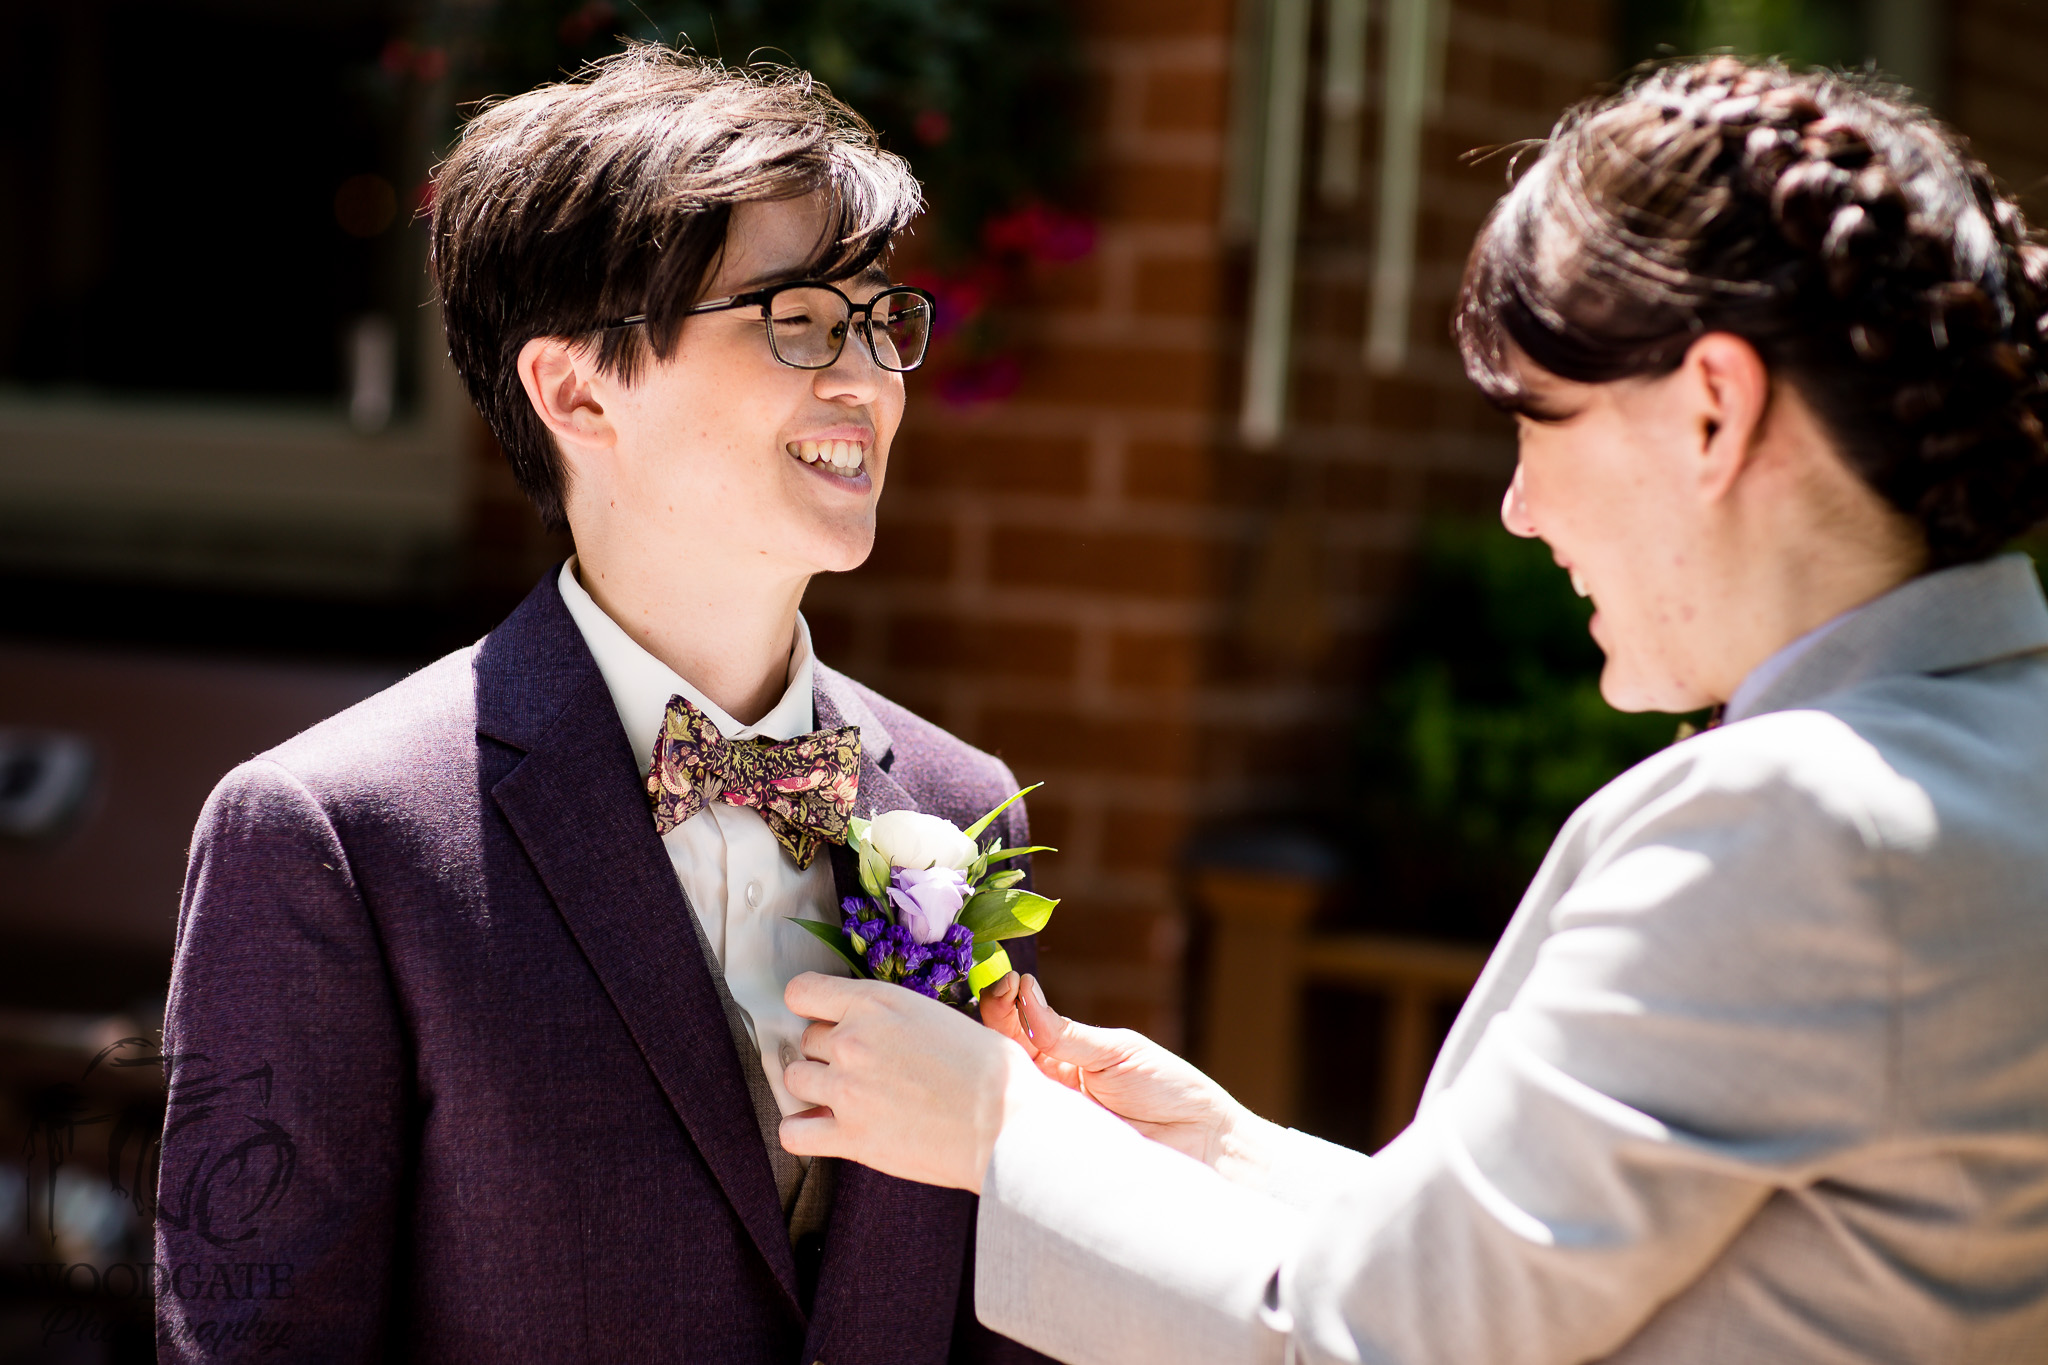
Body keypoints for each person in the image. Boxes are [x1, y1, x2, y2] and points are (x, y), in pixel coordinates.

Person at [775, 58, 2048, 1364]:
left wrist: (996, 1125)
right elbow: (1537, 1291)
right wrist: (1229, 1155)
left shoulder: (1801, 824)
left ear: (1712, 412)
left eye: (1538, 420)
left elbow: (1379, 1345)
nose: (1519, 508)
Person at [156, 46, 1049, 1363]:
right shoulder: (337, 839)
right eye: (800, 319)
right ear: (576, 389)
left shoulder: (960, 806)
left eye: (881, 322)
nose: (867, 379)